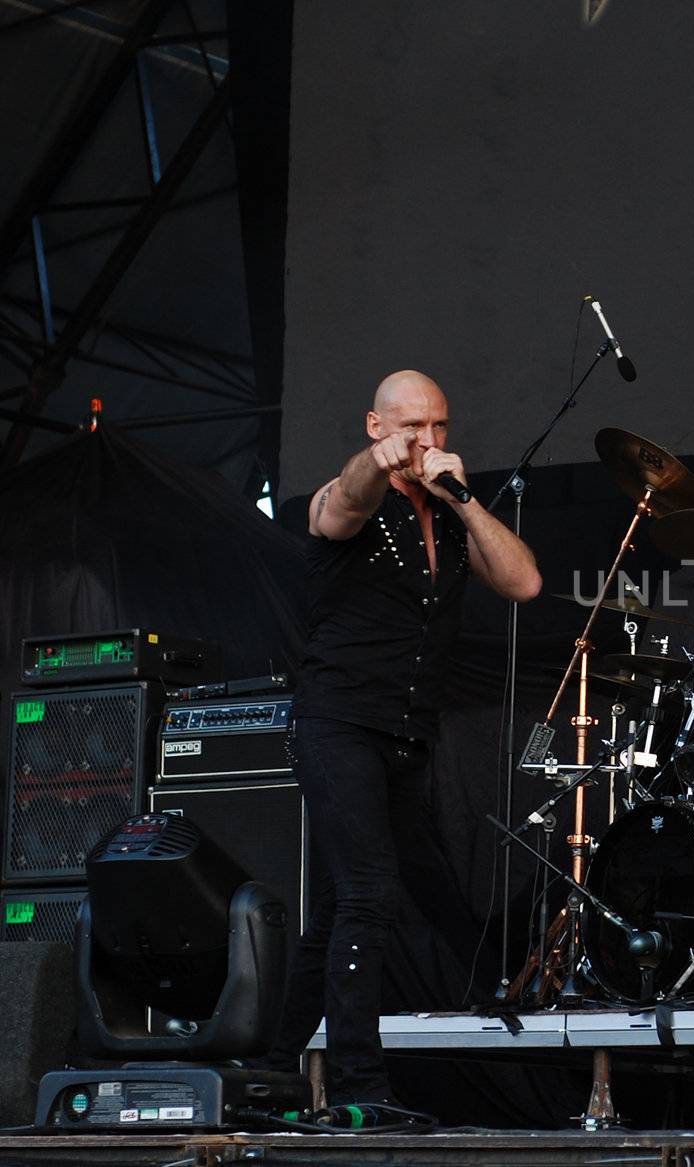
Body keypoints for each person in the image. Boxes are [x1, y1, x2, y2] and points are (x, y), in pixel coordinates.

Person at [265, 370, 541, 1108]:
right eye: (411, 425)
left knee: (343, 907)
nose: (427, 440)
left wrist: (465, 497)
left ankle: (269, 1065)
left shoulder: (451, 514)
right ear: (375, 424)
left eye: (439, 426)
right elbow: (343, 502)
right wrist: (378, 461)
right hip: (336, 723)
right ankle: (361, 1085)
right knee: (367, 893)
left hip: (405, 734)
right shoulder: (344, 494)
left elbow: (523, 582)